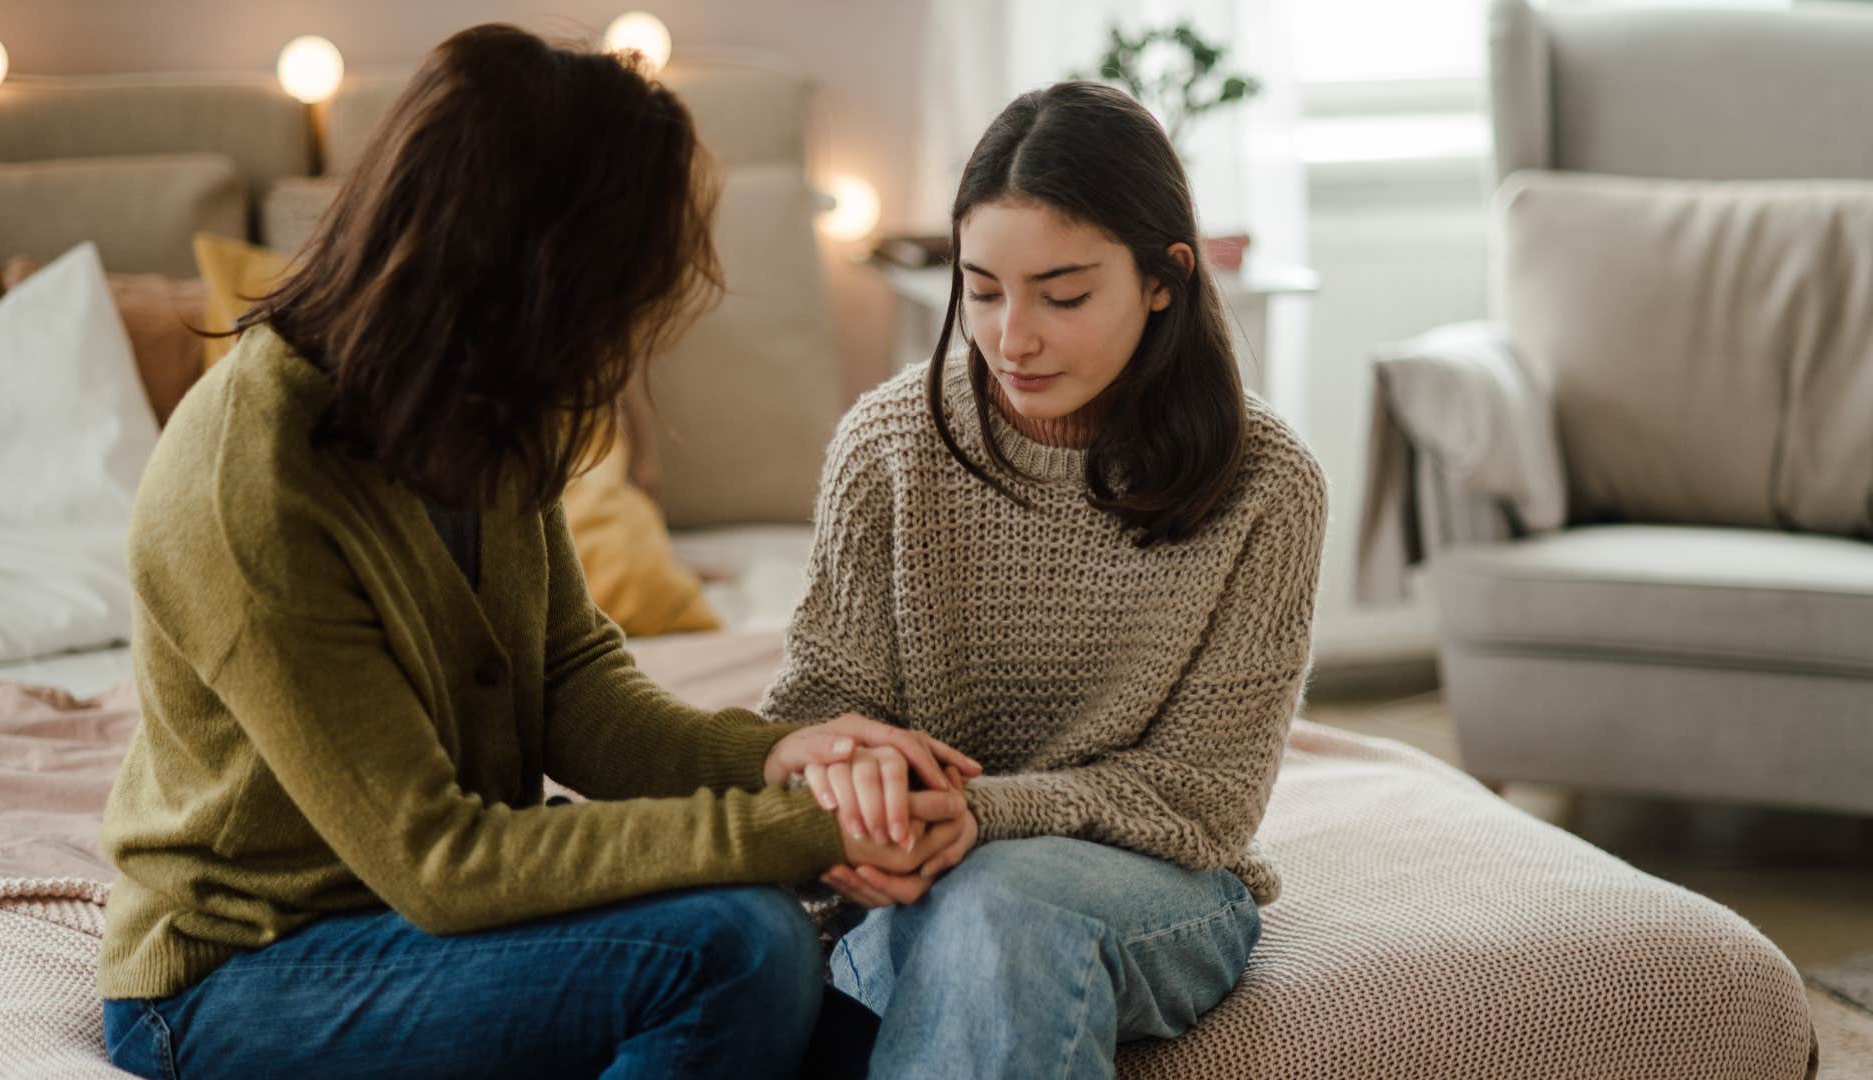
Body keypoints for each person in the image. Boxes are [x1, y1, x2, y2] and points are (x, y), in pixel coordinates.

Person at [96, 24, 979, 1078]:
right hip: (242, 973)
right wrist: (796, 831)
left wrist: (782, 755)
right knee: (738, 950)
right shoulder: (252, 484)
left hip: (436, 933)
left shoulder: (480, 409)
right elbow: (444, 862)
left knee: (872, 1049)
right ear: (532, 274)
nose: (622, 341)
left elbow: (571, 686)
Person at [761, 80, 1328, 1077]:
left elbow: (1204, 801)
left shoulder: (1268, 486)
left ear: (1164, 279)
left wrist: (984, 815)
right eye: (980, 290)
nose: (1011, 337)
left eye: (1062, 296)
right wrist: (865, 797)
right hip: (918, 873)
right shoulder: (889, 446)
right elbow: (821, 707)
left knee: (999, 907)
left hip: (1161, 886)